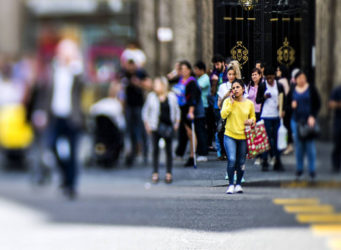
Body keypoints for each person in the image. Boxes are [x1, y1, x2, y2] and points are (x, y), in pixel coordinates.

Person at [48, 38, 84, 199]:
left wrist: (76, 67)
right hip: (55, 115)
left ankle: (71, 185)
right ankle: (64, 177)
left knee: (73, 153)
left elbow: (85, 84)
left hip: (72, 117)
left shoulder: (77, 71)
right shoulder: (53, 69)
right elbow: (45, 90)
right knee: (52, 146)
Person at [142, 77, 180, 183]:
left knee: (168, 151)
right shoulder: (151, 97)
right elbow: (145, 111)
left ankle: (169, 173)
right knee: (155, 150)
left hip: (168, 126)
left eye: (157, 85)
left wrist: (177, 123)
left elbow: (177, 110)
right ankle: (155, 173)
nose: (155, 87)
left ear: (163, 86)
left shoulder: (171, 97)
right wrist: (147, 124)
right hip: (155, 126)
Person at [221, 80, 256, 194]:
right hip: (230, 135)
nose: (235, 89)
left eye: (238, 87)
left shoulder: (249, 103)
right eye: (233, 87)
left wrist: (251, 121)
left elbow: (253, 118)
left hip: (243, 136)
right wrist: (230, 104)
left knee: (241, 162)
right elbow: (223, 114)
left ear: (243, 89)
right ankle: (231, 184)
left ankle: (239, 184)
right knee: (232, 159)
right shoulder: (228, 101)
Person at [287, 71, 321, 180]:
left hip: (308, 121)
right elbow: (286, 105)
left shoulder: (311, 89)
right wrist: (291, 105)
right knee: (299, 146)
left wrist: (312, 116)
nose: (302, 80)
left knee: (310, 146)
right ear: (295, 80)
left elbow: (317, 103)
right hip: (296, 121)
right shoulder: (292, 90)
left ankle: (312, 171)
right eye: (299, 78)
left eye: (303, 78)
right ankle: (299, 170)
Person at [256, 66, 285, 172]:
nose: (270, 80)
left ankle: (277, 160)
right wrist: (264, 97)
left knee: (277, 139)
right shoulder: (263, 86)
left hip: (276, 115)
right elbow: (258, 100)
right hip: (266, 115)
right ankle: (265, 161)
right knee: (266, 139)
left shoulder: (279, 85)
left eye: (271, 78)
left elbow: (283, 98)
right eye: (268, 78)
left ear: (274, 77)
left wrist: (282, 109)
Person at [121, 59, 150, 166]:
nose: (130, 68)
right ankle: (132, 154)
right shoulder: (124, 74)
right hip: (129, 106)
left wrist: (138, 83)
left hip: (139, 105)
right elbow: (120, 88)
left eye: (131, 66)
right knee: (130, 131)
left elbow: (148, 84)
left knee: (141, 130)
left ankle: (145, 154)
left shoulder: (140, 73)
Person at [181, 61, 208, 166]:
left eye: (185, 70)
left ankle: (200, 153)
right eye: (181, 70)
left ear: (189, 70)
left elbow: (193, 98)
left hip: (196, 111)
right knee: (190, 133)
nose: (183, 72)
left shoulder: (192, 82)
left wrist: (191, 111)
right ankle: (191, 153)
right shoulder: (183, 81)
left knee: (198, 132)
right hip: (187, 110)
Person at [210, 54, 229, 160]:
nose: (216, 67)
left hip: (227, 105)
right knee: (219, 128)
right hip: (217, 106)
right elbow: (212, 92)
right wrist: (214, 81)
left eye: (217, 64)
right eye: (215, 65)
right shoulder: (214, 74)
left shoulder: (228, 73)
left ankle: (227, 151)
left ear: (223, 63)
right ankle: (219, 152)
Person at [194, 61, 214, 152]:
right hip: (200, 105)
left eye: (196, 69)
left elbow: (198, 88)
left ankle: (204, 147)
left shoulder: (205, 78)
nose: (195, 71)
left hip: (204, 105)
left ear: (201, 70)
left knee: (202, 128)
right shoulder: (199, 78)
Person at [329, 85, 341, 173]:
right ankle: (336, 164)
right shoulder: (337, 90)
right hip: (339, 120)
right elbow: (331, 104)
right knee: (338, 143)